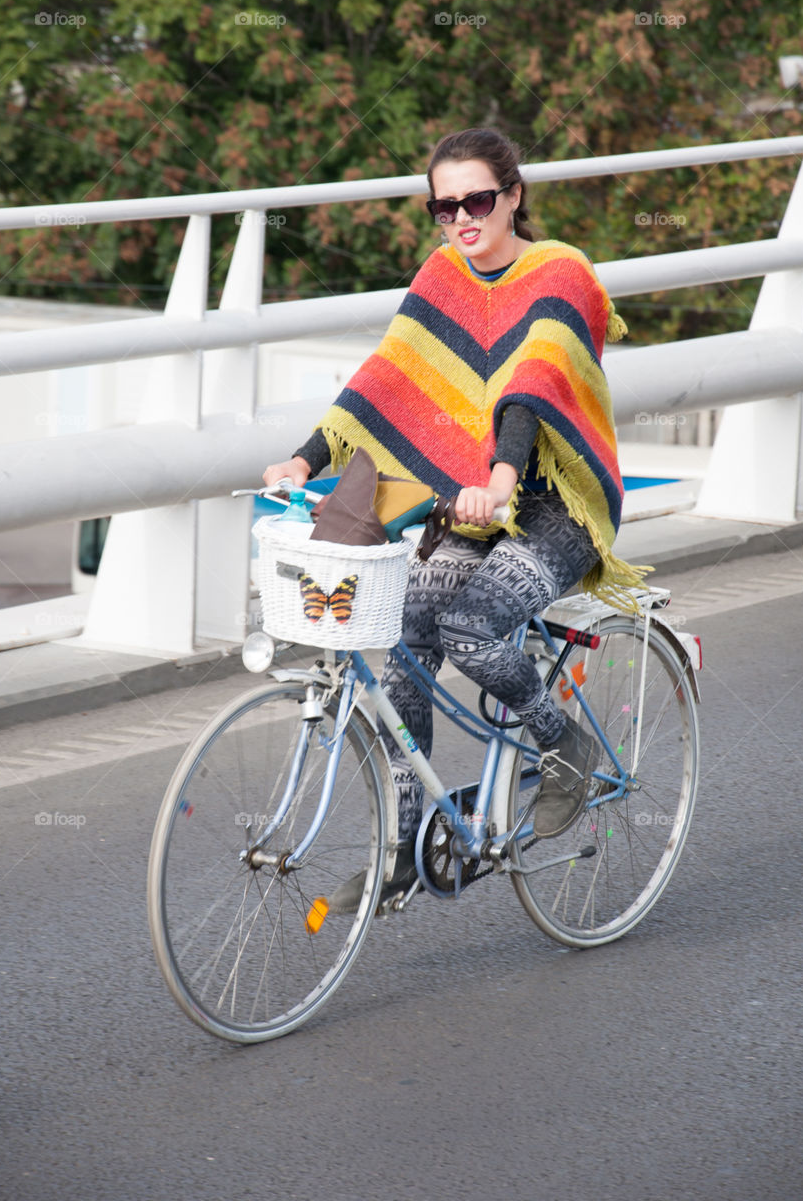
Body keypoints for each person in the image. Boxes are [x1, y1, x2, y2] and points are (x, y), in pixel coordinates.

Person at [263, 126, 646, 909]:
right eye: (444, 208)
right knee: (403, 636)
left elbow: (529, 382)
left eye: (477, 200)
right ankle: (404, 845)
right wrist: (305, 457)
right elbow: (386, 375)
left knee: (472, 626)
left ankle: (560, 742)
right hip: (473, 507)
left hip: (554, 507)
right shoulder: (442, 275)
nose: (462, 220)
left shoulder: (560, 271)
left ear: (513, 195)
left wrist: (501, 475)